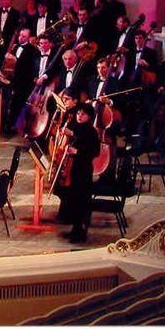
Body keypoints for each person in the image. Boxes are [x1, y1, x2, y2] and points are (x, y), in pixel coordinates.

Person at [58, 102, 100, 243]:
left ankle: (80, 232)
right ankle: (75, 229)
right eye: (78, 113)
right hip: (73, 168)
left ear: (89, 117)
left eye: (83, 114)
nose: (79, 116)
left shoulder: (91, 132)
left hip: (83, 169)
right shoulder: (77, 127)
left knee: (81, 200)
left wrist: (77, 151)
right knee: (73, 199)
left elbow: (95, 152)